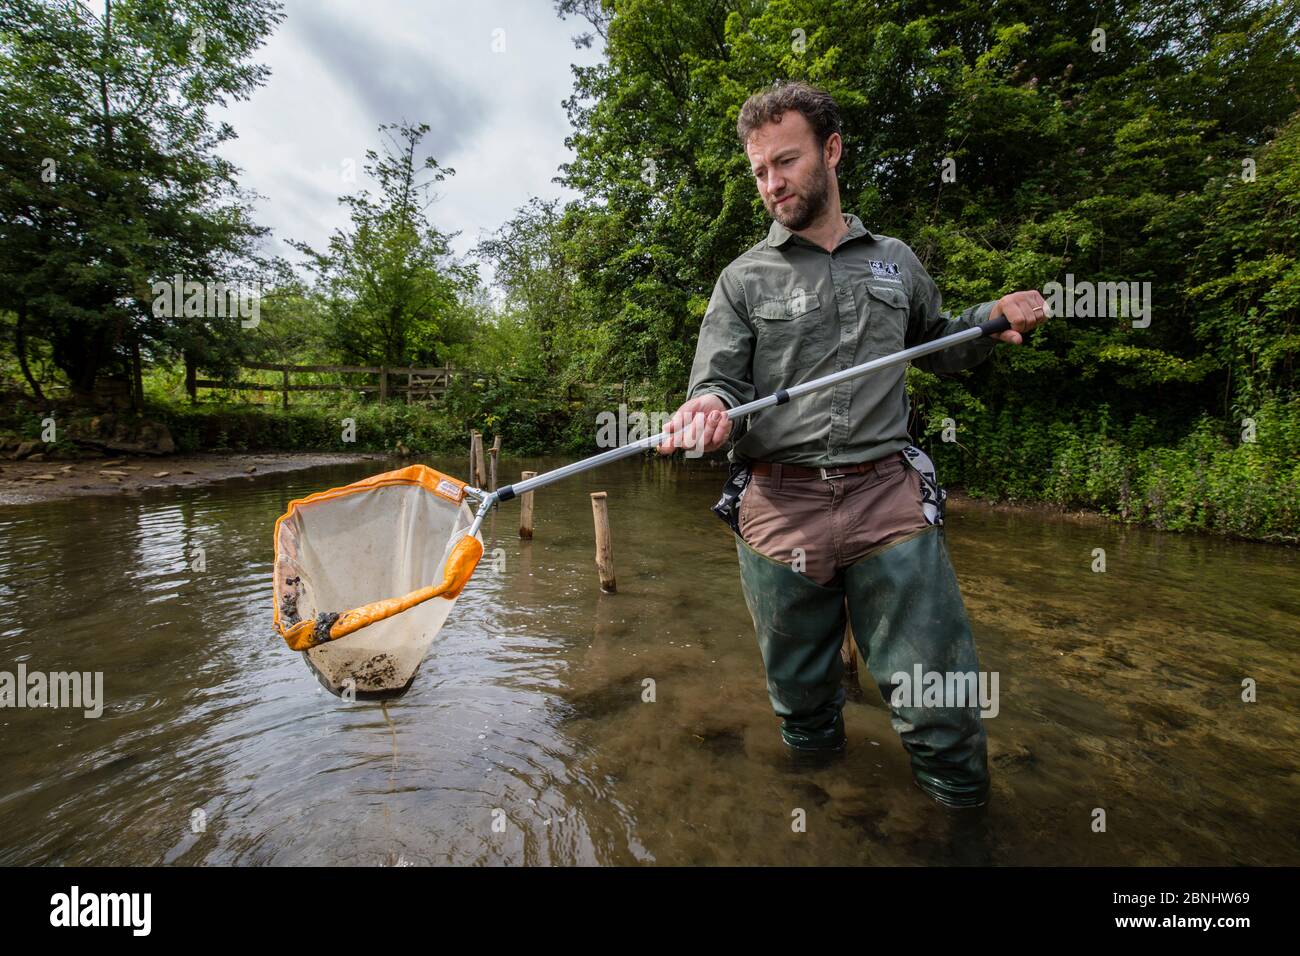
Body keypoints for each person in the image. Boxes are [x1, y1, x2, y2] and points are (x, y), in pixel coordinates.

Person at [658, 80, 1049, 810]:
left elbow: (939, 344)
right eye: (760, 172)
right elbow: (718, 383)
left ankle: (963, 826)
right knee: (803, 711)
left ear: (831, 151)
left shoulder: (894, 260)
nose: (772, 184)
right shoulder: (742, 278)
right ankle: (823, 820)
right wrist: (709, 407)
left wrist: (991, 316)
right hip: (780, 511)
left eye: (786, 162)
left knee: (945, 703)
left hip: (887, 502)